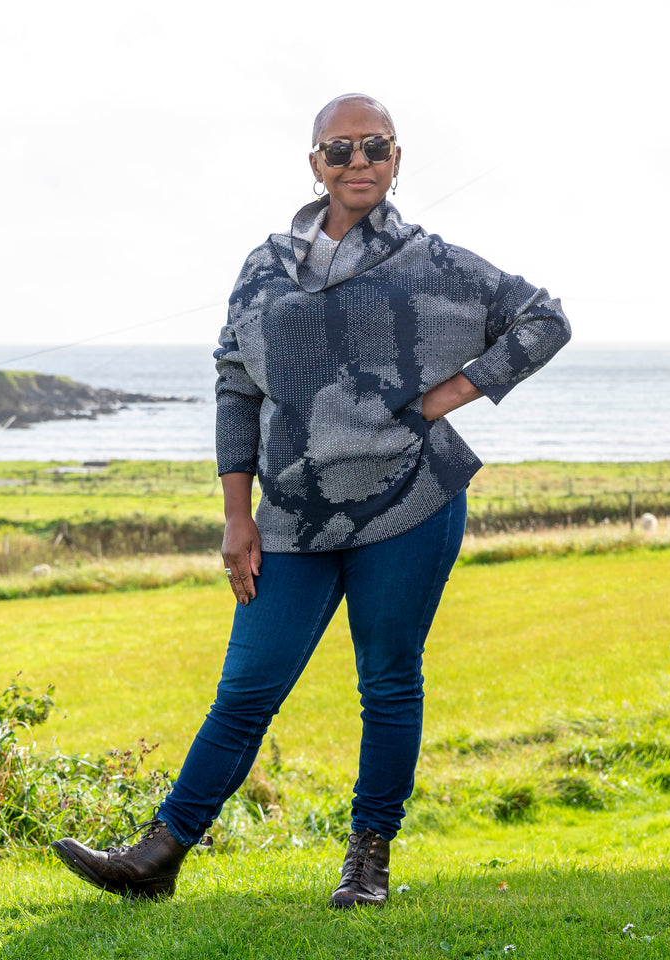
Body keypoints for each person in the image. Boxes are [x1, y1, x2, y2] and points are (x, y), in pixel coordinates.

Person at [51, 93, 571, 908]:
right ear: (314, 163)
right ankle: (158, 855)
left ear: (398, 160)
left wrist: (444, 398)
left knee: (388, 681)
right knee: (248, 686)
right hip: (292, 512)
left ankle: (368, 863)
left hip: (409, 498)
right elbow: (235, 385)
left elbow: (543, 320)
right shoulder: (264, 267)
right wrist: (236, 514)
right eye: (341, 150)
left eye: (375, 148)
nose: (358, 162)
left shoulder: (434, 263)